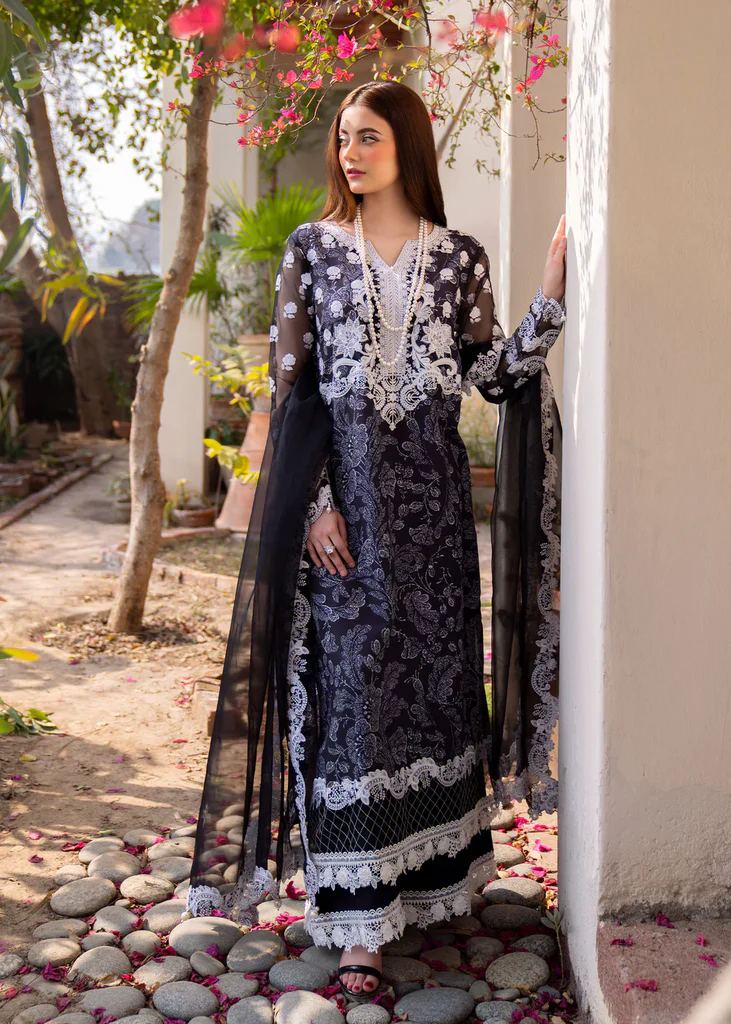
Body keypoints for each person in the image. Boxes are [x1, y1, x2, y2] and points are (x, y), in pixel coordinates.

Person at [184, 80, 567, 1001]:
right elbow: (292, 388)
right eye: (342, 140)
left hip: (433, 523)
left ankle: (429, 885)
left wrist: (548, 302)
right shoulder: (312, 251)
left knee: (430, 691)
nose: (348, 154)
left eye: (368, 138)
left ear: (407, 146)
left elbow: (490, 376)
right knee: (350, 696)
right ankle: (357, 918)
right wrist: (315, 504)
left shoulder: (458, 257)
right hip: (345, 522)